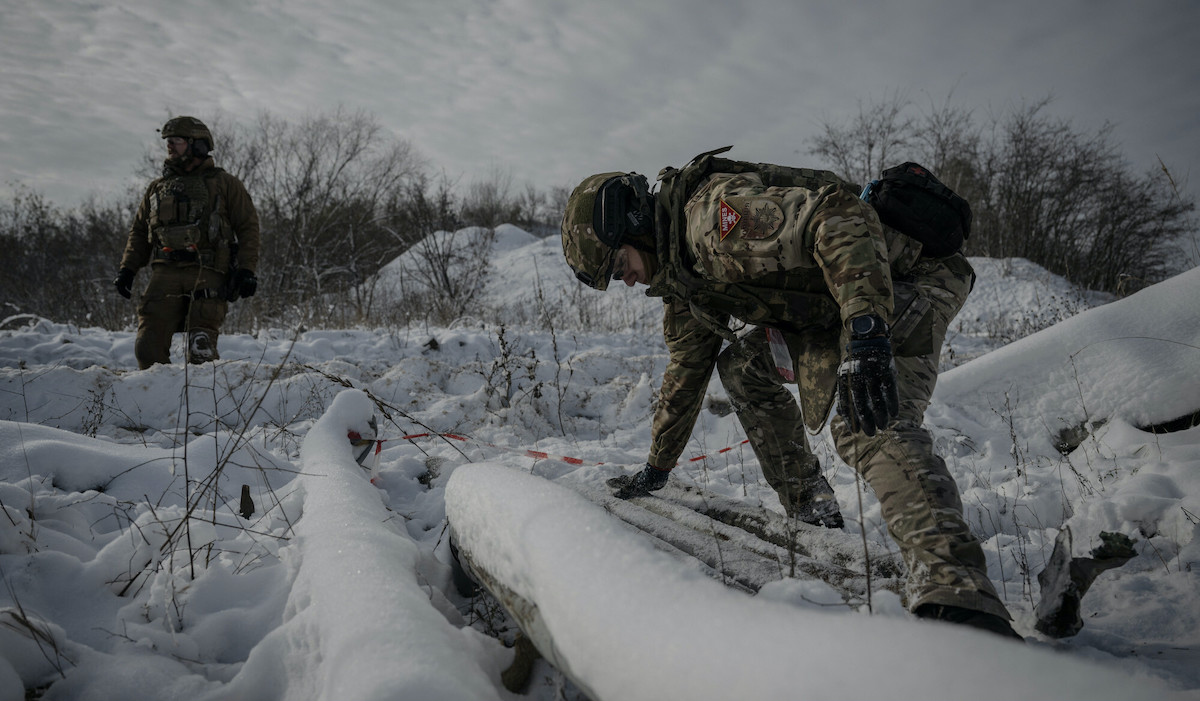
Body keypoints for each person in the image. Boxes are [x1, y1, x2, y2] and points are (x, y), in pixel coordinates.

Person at [560, 146, 1020, 639]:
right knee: (740, 367)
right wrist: (656, 468)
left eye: (618, 265)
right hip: (832, 305)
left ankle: (959, 593)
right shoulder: (682, 276)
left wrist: (866, 332)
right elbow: (687, 369)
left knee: (862, 420)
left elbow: (838, 216)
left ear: (629, 226)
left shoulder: (712, 223)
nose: (625, 280)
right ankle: (811, 508)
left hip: (904, 280)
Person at [114, 116, 260, 370]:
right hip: (165, 272)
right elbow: (139, 232)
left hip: (208, 271)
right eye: (168, 141)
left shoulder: (225, 184)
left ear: (198, 145)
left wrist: (247, 270)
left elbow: (248, 227)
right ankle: (161, 402)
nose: (170, 146)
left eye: (177, 141)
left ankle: (202, 405)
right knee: (146, 348)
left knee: (200, 351)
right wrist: (128, 269)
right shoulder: (157, 188)